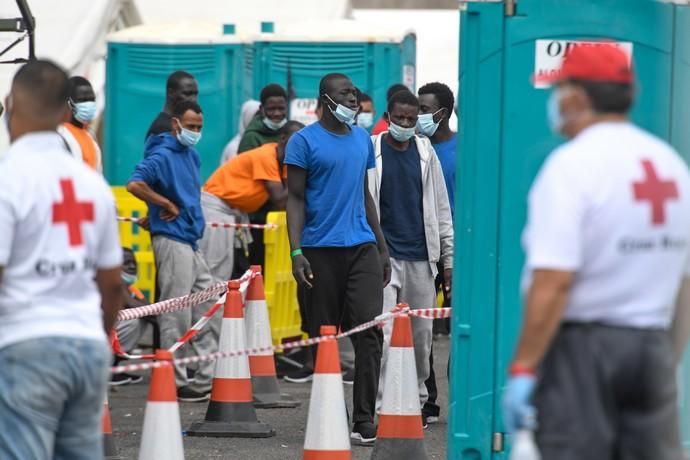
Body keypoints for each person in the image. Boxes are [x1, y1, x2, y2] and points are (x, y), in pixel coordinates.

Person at [502, 44, 690, 459]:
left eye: (560, 88)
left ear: (577, 96)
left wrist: (524, 368)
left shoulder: (572, 167)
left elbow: (553, 281)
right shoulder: (671, 167)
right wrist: (666, 359)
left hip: (584, 354)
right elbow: (684, 283)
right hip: (652, 348)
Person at [0, 59, 123, 459]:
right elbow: (111, 283)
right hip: (86, 347)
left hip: (26, 344)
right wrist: (96, 335)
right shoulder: (91, 184)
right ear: (63, 111)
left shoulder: (8, 178)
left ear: (10, 104)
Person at [285, 72, 391, 445]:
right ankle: (332, 416)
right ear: (325, 98)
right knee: (325, 337)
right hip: (319, 249)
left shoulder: (362, 139)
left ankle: (364, 419)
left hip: (361, 246)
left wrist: (381, 245)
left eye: (355, 93)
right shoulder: (302, 142)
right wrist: (296, 251)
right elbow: (294, 199)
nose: (353, 98)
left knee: (369, 332)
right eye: (344, 93)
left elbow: (364, 194)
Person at [368, 90, 453, 428]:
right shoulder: (373, 150)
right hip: (386, 258)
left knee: (420, 338)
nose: (405, 124)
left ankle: (417, 401)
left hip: (422, 257)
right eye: (399, 118)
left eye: (410, 118)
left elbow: (442, 209)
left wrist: (449, 260)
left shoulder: (425, 151)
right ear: (388, 117)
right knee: (385, 335)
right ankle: (382, 404)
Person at [127, 100, 218, 402]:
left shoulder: (190, 155)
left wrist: (155, 209)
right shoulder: (163, 152)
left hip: (190, 240)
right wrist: (163, 205)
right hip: (173, 239)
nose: (195, 132)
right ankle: (173, 381)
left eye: (199, 127)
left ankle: (204, 379)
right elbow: (135, 184)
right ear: (176, 124)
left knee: (209, 307)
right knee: (175, 314)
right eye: (190, 126)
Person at [201, 121, 304, 283]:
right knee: (215, 267)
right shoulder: (267, 156)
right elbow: (280, 200)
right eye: (297, 141)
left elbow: (288, 199)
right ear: (283, 138)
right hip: (215, 207)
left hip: (235, 212)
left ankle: (228, 307)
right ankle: (208, 307)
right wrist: (301, 174)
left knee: (235, 268)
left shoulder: (285, 162)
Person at [417, 81, 457, 424]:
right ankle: (427, 401)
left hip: (459, 253)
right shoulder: (416, 149)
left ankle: (462, 396)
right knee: (421, 330)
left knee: (460, 327)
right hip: (426, 252)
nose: (419, 116)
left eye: (425, 110)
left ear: (442, 113)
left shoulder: (463, 150)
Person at [110, 247, 148, 386]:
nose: (132, 266)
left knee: (144, 319)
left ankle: (116, 367)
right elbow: (133, 305)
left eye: (134, 262)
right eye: (126, 263)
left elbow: (149, 307)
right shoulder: (114, 282)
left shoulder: (132, 288)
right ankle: (109, 369)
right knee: (133, 321)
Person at [57, 76, 102, 172]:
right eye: (82, 100)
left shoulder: (91, 138)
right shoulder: (59, 136)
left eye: (91, 99)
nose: (88, 104)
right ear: (68, 103)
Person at [145, 70, 198, 140]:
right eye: (187, 94)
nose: (193, 100)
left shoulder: (175, 125)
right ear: (171, 93)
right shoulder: (162, 129)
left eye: (195, 94)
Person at [238, 83, 288, 153]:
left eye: (281, 108)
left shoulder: (291, 133)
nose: (277, 113)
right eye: (271, 109)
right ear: (261, 109)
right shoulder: (251, 138)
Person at [220, 99, 260, 164]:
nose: (258, 121)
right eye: (255, 117)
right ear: (246, 118)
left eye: (261, 117)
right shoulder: (234, 147)